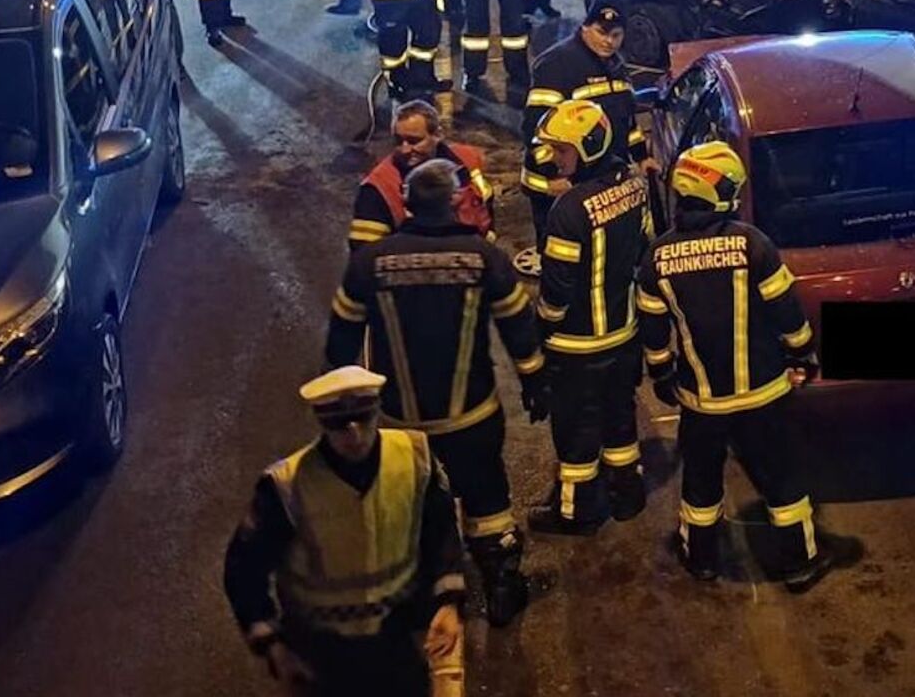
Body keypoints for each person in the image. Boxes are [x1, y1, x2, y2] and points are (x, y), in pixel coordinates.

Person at [325, 161, 548, 627]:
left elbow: (341, 339)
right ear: (452, 201)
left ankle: (423, 596)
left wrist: (343, 410)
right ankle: (501, 586)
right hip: (471, 414)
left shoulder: (369, 264)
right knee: (487, 499)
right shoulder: (482, 258)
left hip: (399, 423)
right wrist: (533, 380)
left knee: (411, 505)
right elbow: (517, 325)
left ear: (405, 203)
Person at [638, 141, 860, 591]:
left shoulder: (656, 258)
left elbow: (654, 330)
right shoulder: (752, 244)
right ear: (720, 191)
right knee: (782, 479)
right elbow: (787, 312)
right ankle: (799, 563)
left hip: (702, 401)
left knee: (701, 482)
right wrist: (802, 353)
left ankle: (701, 559)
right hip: (762, 394)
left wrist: (662, 373)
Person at [223, 365, 468, 696]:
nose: (353, 434)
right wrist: (272, 643)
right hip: (321, 653)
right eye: (339, 424)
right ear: (321, 423)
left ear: (377, 411)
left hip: (397, 639)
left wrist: (448, 604)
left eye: (363, 419)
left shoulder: (414, 457)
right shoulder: (286, 486)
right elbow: (244, 568)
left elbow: (441, 531)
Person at [523, 101, 655, 533]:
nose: (555, 159)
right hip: (623, 334)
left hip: (577, 346)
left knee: (577, 430)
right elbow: (644, 246)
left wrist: (539, 328)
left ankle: (578, 511)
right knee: (619, 416)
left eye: (562, 151)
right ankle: (628, 494)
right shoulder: (634, 185)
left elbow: (557, 291)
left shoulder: (568, 210)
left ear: (588, 149)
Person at [520, 0, 652, 261]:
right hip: (562, 182)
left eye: (616, 35)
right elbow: (536, 130)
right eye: (602, 32)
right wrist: (553, 175)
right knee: (562, 257)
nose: (609, 41)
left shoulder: (616, 66)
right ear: (586, 26)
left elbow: (626, 121)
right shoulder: (558, 64)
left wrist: (641, 157)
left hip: (599, 179)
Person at [350, 100, 495, 253]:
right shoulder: (377, 188)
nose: (405, 150)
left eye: (414, 141)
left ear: (437, 135)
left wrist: (489, 236)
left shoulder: (468, 159)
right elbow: (364, 255)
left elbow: (485, 198)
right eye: (399, 141)